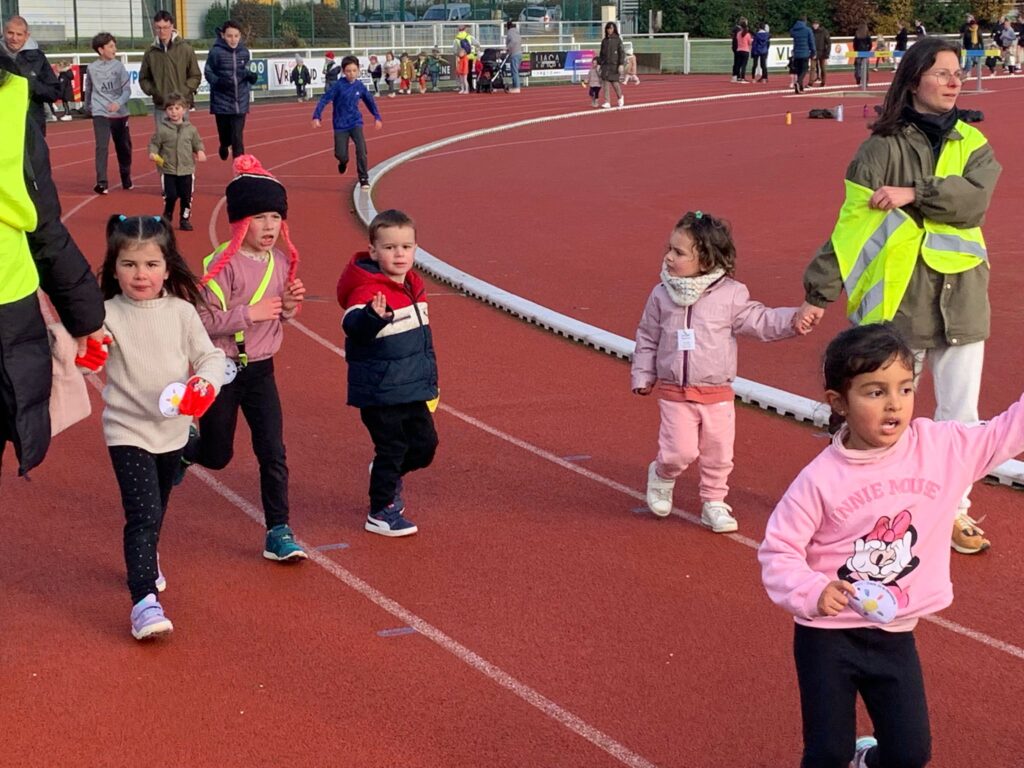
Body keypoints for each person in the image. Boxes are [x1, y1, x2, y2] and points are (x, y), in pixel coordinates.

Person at [759, 322, 1024, 768]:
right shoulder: (820, 479)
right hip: (827, 636)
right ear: (839, 402)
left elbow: (1008, 431)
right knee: (827, 752)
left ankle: (868, 760)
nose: (894, 404)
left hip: (895, 634)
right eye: (875, 392)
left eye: (905, 388)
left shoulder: (942, 448)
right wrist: (812, 590)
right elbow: (778, 550)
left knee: (909, 754)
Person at [796, 38, 1002, 556]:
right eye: (942, 73)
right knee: (883, 413)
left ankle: (952, 510)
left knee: (961, 416)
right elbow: (850, 229)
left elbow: (974, 203)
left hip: (962, 298)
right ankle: (866, 502)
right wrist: (818, 293)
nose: (955, 81)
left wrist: (915, 194)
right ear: (913, 80)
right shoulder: (880, 149)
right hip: (900, 304)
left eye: (959, 72)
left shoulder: (973, 143)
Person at [632, 211, 806, 530]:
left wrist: (796, 320)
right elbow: (647, 336)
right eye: (669, 249)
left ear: (707, 259)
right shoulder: (661, 294)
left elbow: (760, 320)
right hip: (675, 391)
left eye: (679, 252)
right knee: (679, 451)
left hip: (717, 392)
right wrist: (643, 375)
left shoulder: (731, 295)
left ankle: (714, 502)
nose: (668, 257)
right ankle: (662, 474)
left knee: (719, 454)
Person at [98, 214, 225, 639]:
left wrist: (204, 384)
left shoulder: (182, 312)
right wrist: (74, 347)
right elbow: (78, 347)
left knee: (158, 507)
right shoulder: (106, 314)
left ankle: (147, 553)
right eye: (129, 264)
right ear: (114, 268)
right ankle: (143, 602)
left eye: (151, 264)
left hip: (174, 431)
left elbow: (209, 357)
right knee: (143, 513)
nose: (141, 274)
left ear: (168, 268)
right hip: (127, 430)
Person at [177, 155, 308, 564]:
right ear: (239, 222)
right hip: (222, 369)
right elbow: (200, 321)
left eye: (275, 217)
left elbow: (278, 315)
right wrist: (249, 313)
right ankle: (188, 449)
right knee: (219, 456)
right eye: (258, 218)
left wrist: (288, 308)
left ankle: (279, 530)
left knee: (273, 450)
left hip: (262, 370)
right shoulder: (221, 266)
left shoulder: (281, 262)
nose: (268, 227)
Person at [0, 54, 106, 478]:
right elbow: (43, 224)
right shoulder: (8, 103)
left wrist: (85, 316)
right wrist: (85, 317)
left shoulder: (11, 101)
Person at [336, 209, 439, 538]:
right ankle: (381, 512)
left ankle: (385, 473)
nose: (399, 254)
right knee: (392, 448)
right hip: (380, 391)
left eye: (406, 247)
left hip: (412, 387)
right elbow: (353, 327)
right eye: (390, 247)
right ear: (373, 251)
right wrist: (372, 317)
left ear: (415, 249)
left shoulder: (414, 285)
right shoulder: (367, 291)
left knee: (425, 446)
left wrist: (429, 380)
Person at [311, 54, 382, 190]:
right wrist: (316, 116)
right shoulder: (338, 86)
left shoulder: (359, 86)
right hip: (340, 125)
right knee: (340, 154)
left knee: (361, 150)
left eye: (354, 70)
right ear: (343, 71)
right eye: (348, 71)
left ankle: (363, 178)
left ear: (358, 70)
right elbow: (324, 99)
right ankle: (343, 162)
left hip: (355, 122)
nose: (351, 74)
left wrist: (377, 116)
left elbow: (369, 101)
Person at [148, 92, 207, 231]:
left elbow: (197, 143)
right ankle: (167, 215)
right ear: (166, 111)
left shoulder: (191, 129)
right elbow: (154, 143)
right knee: (171, 195)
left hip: (186, 170)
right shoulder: (162, 129)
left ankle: (184, 219)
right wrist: (153, 152)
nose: (173, 112)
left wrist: (200, 151)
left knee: (186, 197)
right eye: (170, 109)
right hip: (169, 169)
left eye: (177, 108)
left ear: (184, 110)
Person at [85, 32, 133, 195]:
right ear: (101, 50)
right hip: (100, 112)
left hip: (119, 114)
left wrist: (117, 103)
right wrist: (88, 106)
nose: (115, 49)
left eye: (114, 46)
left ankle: (126, 177)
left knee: (123, 147)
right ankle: (102, 182)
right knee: (102, 146)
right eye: (111, 46)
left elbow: (127, 91)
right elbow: (89, 89)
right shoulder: (92, 68)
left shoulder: (119, 67)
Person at [204, 20, 258, 161]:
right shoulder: (215, 52)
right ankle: (224, 145)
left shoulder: (244, 52)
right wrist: (218, 82)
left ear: (240, 36)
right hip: (221, 102)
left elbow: (244, 71)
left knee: (237, 138)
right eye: (229, 36)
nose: (233, 39)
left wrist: (250, 76)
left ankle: (240, 168)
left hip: (240, 101)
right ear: (223, 35)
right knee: (225, 136)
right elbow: (208, 72)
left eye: (236, 36)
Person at [139, 10, 201, 129]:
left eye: (165, 27)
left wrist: (183, 92)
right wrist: (155, 91)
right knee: (163, 139)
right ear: (154, 27)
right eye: (158, 28)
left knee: (182, 138)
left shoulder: (186, 49)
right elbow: (144, 78)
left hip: (181, 105)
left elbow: (195, 75)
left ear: (172, 26)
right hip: (161, 106)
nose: (162, 31)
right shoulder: (150, 52)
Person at [1, 16, 60, 134]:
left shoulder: (38, 57)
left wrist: (30, 83)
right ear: (3, 32)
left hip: (31, 128)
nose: (14, 38)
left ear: (27, 36)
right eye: (10, 33)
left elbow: (53, 93)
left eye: (19, 34)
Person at [598, 21, 625, 108]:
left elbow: (622, 52)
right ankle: (607, 101)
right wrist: (599, 63)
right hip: (605, 65)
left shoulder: (618, 40)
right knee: (605, 82)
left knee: (614, 82)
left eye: (611, 28)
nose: (609, 30)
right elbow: (601, 54)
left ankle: (620, 97)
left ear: (614, 29)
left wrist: (621, 64)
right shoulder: (604, 41)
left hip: (614, 65)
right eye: (608, 28)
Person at [789, 16, 815, 93]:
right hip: (804, 53)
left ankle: (800, 88)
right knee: (804, 69)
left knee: (798, 71)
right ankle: (798, 82)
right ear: (805, 21)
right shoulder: (808, 30)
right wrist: (813, 52)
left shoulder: (794, 30)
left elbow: (791, 33)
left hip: (796, 53)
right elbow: (811, 42)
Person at [454, 25, 479, 92]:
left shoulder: (456, 39)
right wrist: (474, 52)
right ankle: (470, 87)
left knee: (461, 74)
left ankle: (463, 88)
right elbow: (477, 44)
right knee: (469, 73)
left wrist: (459, 55)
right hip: (470, 57)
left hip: (461, 58)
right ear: (465, 29)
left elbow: (454, 50)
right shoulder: (469, 36)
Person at [731, 18, 752, 83]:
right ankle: (742, 78)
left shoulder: (738, 33)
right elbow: (749, 42)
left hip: (739, 49)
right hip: (745, 50)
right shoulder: (747, 34)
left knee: (738, 64)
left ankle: (737, 77)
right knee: (743, 65)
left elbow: (736, 40)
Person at [810, 20, 830, 86]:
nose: (815, 25)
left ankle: (823, 82)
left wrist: (827, 53)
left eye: (816, 24)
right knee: (812, 68)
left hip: (822, 52)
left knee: (823, 68)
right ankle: (810, 82)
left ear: (819, 25)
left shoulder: (824, 32)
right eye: (814, 24)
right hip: (814, 52)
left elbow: (828, 43)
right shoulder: (810, 32)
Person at [505, 20, 523, 92]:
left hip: (514, 53)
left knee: (514, 71)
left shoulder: (510, 33)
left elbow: (512, 42)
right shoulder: (517, 32)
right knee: (515, 71)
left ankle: (516, 87)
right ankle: (515, 85)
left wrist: (508, 48)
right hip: (519, 53)